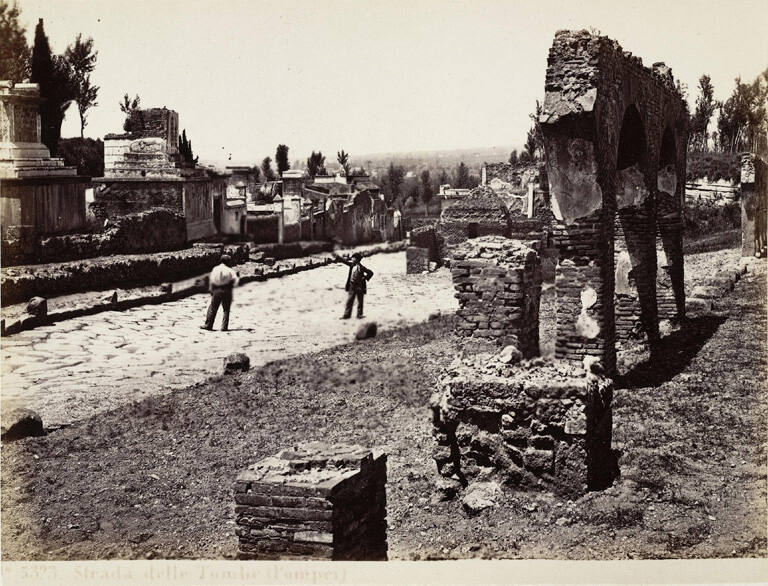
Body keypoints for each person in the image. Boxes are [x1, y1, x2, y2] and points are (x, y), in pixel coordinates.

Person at [201, 254, 240, 331]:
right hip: (226, 290)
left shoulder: (216, 268)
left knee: (212, 307)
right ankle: (224, 327)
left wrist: (211, 290)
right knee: (226, 309)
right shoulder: (230, 270)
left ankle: (208, 324)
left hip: (217, 289)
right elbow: (236, 281)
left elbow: (212, 280)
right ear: (228, 262)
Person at [335, 252, 374, 319]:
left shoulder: (361, 267)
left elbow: (371, 273)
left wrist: (365, 277)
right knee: (349, 301)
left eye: (353, 258)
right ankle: (347, 315)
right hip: (352, 285)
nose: (352, 259)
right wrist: (339, 258)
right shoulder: (352, 265)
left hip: (360, 286)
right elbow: (345, 262)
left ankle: (359, 315)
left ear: (357, 259)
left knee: (360, 301)